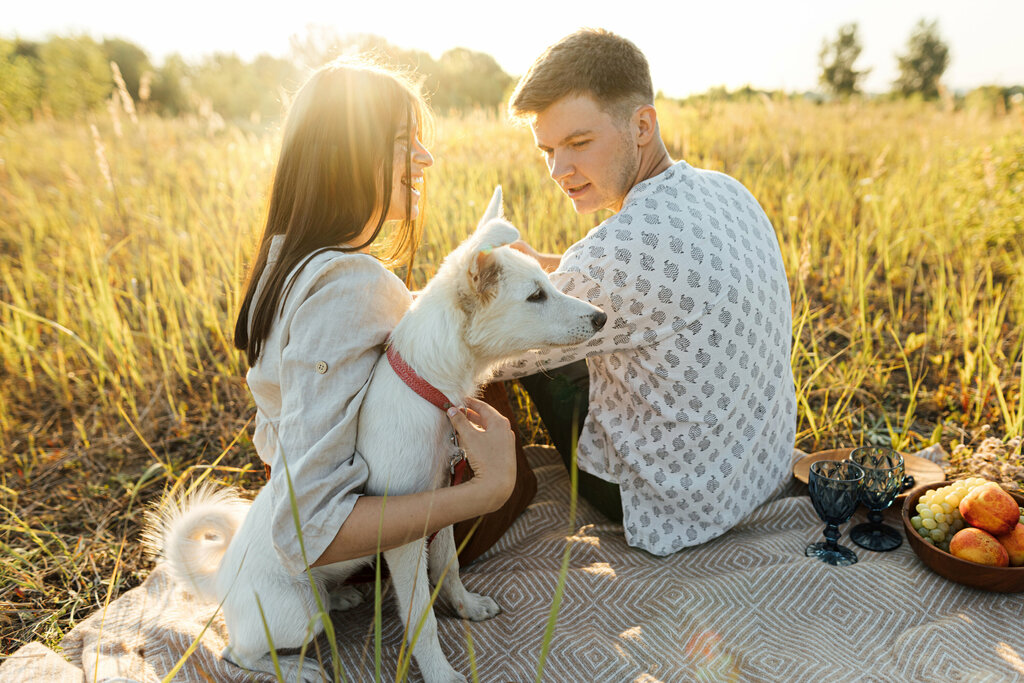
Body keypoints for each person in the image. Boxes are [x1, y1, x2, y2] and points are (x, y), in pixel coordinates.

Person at [497, 29, 797, 555]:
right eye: (547, 150)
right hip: (759, 469)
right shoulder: (728, 190)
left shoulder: (616, 254)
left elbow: (492, 353)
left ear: (641, 124)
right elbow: (643, 287)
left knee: (512, 352)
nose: (559, 171)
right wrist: (546, 266)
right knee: (568, 317)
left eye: (579, 142)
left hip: (670, 501)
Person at [232, 59, 521, 576]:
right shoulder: (347, 287)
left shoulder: (289, 260)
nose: (425, 158)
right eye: (404, 140)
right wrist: (489, 490)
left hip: (333, 492)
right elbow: (306, 531)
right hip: (368, 535)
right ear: (345, 154)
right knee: (495, 397)